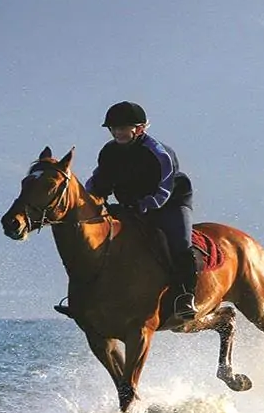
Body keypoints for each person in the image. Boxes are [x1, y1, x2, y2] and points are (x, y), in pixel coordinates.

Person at [57, 101, 199, 322]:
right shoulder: (109, 152)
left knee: (180, 243)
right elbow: (99, 182)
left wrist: (140, 206)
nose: (118, 132)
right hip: (130, 206)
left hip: (171, 203)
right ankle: (86, 297)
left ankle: (185, 295)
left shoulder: (159, 154)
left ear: (140, 129)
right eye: (114, 128)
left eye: (123, 128)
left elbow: (163, 191)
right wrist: (84, 201)